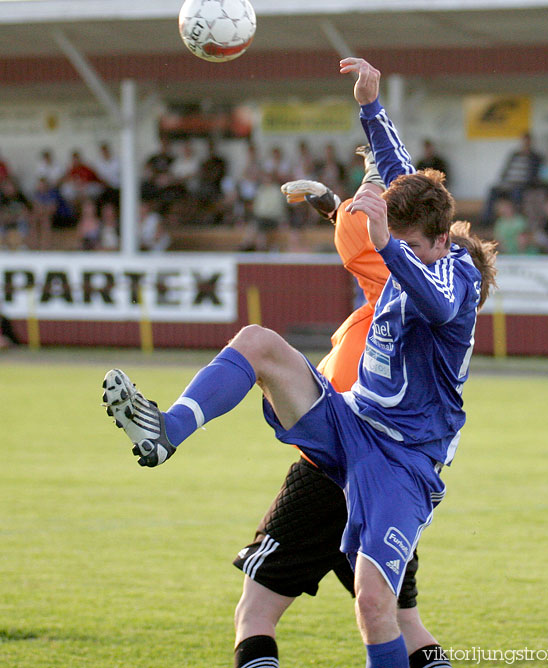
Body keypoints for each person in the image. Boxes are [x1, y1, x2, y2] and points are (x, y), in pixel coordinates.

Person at [103, 57, 497, 668]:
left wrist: (386, 240)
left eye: (416, 245)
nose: (401, 251)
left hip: (404, 457)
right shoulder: (413, 237)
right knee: (258, 341)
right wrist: (370, 104)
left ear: (442, 242)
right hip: (352, 422)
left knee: (374, 606)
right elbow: (396, 172)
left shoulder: (454, 277)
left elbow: (437, 306)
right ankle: (165, 432)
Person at [231, 151, 461, 668]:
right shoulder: (419, 295)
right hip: (393, 476)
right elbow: (370, 242)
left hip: (332, 466)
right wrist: (336, 207)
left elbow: (371, 239)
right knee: (403, 621)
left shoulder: (393, 290)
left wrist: (354, 194)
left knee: (255, 612)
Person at [481, 131, 542, 224]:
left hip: (522, 186)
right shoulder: (514, 155)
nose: (525, 143)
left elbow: (534, 176)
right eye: (523, 141)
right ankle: (486, 220)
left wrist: (520, 183)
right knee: (492, 189)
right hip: (508, 184)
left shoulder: (535, 157)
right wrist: (504, 182)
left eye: (527, 141)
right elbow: (505, 172)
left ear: (531, 142)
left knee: (517, 191)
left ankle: (516, 219)